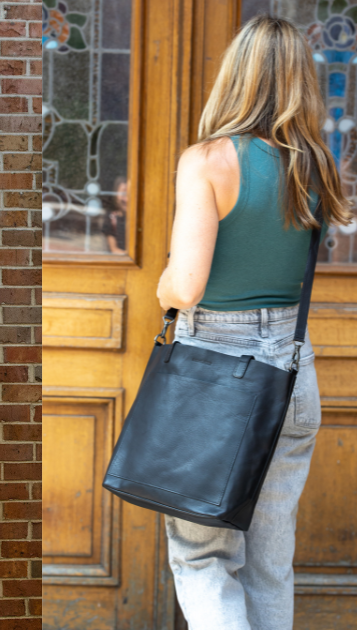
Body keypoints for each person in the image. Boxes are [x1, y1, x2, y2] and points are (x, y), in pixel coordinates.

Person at [155, 15, 353, 630]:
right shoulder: (315, 166)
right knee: (270, 563)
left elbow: (185, 287)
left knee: (202, 559)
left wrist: (162, 283)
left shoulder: (208, 160)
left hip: (216, 375)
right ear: (302, 82)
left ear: (233, 76)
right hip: (293, 374)